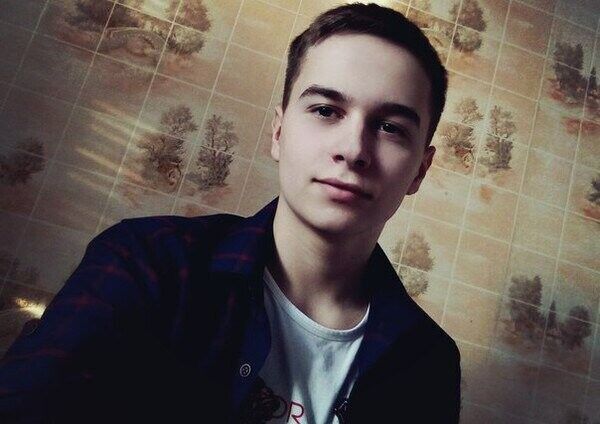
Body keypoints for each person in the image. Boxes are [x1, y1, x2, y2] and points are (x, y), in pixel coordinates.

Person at [0, 3, 461, 423]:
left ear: (420, 170)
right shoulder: (147, 262)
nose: (353, 149)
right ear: (278, 133)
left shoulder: (427, 363)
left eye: (390, 127)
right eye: (325, 110)